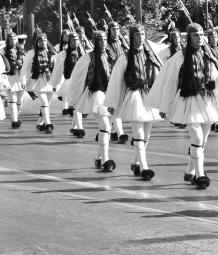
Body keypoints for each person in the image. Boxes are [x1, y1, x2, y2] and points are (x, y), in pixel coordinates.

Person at [148, 23, 218, 190]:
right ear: (189, 37)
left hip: (207, 100)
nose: (199, 38)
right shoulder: (180, 57)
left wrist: (214, 83)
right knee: (197, 139)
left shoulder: (208, 53)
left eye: (201, 34)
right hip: (188, 99)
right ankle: (200, 175)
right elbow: (169, 82)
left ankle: (189, 170)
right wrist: (164, 106)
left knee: (202, 141)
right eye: (195, 35)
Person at [105, 24, 164, 181]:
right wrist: (112, 103)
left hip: (148, 96)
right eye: (138, 34)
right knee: (138, 133)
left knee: (147, 134)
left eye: (143, 34)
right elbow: (116, 82)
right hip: (134, 96)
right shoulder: (124, 58)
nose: (141, 37)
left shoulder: (150, 55)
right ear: (132, 37)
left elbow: (159, 76)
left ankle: (136, 162)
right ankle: (145, 167)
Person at [60, 31, 114, 171]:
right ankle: (106, 161)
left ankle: (99, 157)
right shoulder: (87, 58)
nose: (103, 42)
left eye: (104, 40)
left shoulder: (108, 55)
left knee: (107, 128)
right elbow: (77, 80)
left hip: (108, 95)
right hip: (95, 95)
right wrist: (74, 100)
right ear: (95, 41)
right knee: (105, 127)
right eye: (100, 40)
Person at [49, 31, 86, 138]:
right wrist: (55, 84)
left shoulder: (83, 53)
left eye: (77, 40)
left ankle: (73, 127)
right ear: (69, 41)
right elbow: (57, 71)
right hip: (70, 83)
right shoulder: (62, 54)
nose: (76, 42)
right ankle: (80, 128)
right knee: (77, 106)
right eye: (73, 40)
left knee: (78, 106)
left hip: (82, 83)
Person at [21, 31, 55, 134]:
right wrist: (23, 80)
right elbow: (25, 68)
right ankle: (48, 124)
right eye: (40, 41)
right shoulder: (31, 53)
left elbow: (57, 68)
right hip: (38, 79)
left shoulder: (52, 52)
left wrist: (58, 81)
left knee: (46, 105)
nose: (43, 43)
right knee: (44, 103)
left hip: (50, 80)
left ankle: (39, 123)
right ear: (37, 42)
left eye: (45, 40)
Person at [105, 21, 130, 144]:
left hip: (122, 78)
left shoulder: (122, 44)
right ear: (109, 31)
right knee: (114, 106)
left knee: (117, 106)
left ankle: (110, 131)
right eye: (113, 29)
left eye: (117, 29)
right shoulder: (105, 45)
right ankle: (120, 134)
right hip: (110, 79)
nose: (116, 31)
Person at [4, 30, 26, 129]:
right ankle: (14, 120)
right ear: (8, 41)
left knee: (20, 99)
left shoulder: (20, 50)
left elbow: (27, 62)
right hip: (10, 76)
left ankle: (15, 116)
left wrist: (21, 61)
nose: (13, 41)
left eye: (14, 39)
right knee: (13, 99)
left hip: (20, 75)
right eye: (11, 39)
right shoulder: (3, 50)